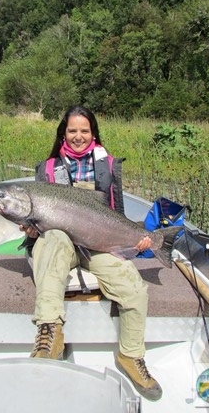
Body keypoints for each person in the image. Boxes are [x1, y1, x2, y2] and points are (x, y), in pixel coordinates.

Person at [20, 105, 162, 401]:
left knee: (133, 287)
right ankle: (50, 334)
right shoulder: (47, 168)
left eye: (84, 130)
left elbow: (116, 211)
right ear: (63, 134)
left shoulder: (107, 164)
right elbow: (36, 215)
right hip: (59, 240)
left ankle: (130, 355)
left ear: (93, 133)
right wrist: (31, 231)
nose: (78, 136)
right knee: (54, 238)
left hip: (99, 241)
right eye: (72, 130)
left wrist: (136, 240)